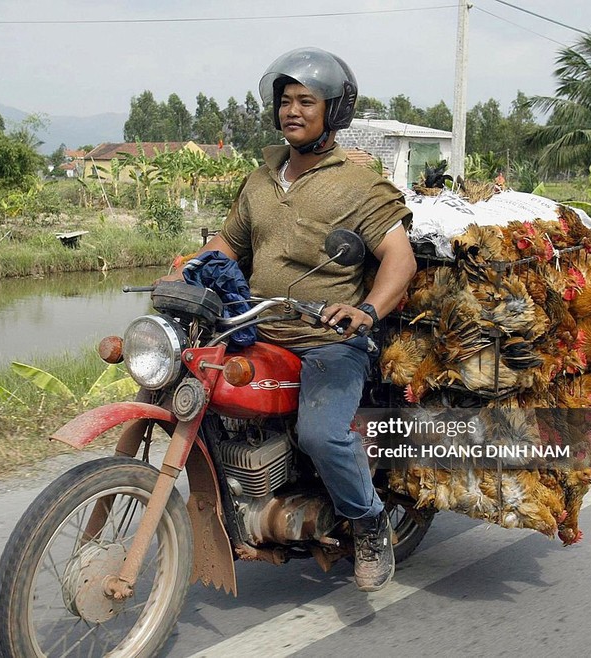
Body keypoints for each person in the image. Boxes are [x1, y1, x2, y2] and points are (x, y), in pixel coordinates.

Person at [165, 47, 416, 591]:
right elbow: (228, 245)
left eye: (306, 100)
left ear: (334, 110)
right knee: (186, 387)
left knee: (321, 434)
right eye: (285, 101)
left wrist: (366, 309)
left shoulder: (359, 184)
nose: (292, 111)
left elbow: (401, 257)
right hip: (252, 326)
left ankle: (369, 523)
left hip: (326, 339)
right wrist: (191, 269)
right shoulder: (260, 179)